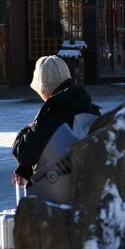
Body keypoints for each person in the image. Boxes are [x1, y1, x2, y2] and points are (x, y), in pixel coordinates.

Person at [11, 56, 101, 190]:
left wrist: (27, 130)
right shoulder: (90, 108)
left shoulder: (55, 113)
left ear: (44, 89)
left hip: (63, 194)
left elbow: (25, 153)